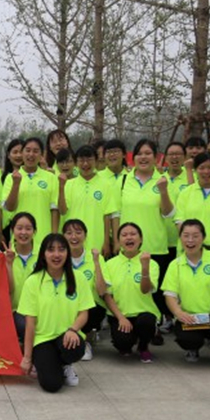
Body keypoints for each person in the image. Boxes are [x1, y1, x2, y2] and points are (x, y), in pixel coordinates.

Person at [17, 233, 94, 392]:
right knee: (51, 385)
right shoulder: (32, 282)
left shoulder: (78, 278)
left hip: (67, 336)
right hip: (42, 340)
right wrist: (27, 358)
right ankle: (47, 363)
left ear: (67, 253)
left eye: (61, 249)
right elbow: (30, 324)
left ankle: (66, 364)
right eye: (51, 250)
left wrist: (73, 329)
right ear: (43, 254)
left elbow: (83, 313)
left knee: (75, 348)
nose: (56, 254)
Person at [163, 220, 210, 371]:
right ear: (180, 238)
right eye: (186, 235)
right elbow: (170, 295)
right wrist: (179, 313)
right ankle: (193, 348)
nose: (190, 240)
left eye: (195, 236)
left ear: (203, 238)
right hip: (190, 317)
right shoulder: (175, 265)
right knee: (187, 339)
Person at [118, 139, 175, 339]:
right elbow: (115, 213)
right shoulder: (123, 180)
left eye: (148, 153)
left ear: (156, 157)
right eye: (139, 153)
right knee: (131, 289)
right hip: (128, 248)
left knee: (154, 292)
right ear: (133, 157)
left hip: (155, 245)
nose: (143, 157)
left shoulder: (163, 181)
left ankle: (154, 327)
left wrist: (163, 191)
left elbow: (169, 213)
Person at [101, 223, 160, 363]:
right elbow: (107, 295)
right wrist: (121, 318)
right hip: (120, 314)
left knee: (146, 321)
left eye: (133, 234)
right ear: (119, 240)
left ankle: (143, 346)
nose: (129, 238)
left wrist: (144, 268)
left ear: (141, 239)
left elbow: (145, 290)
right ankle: (128, 341)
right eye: (124, 235)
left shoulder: (151, 263)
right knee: (123, 344)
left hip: (143, 313)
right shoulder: (109, 264)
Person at [60, 145, 118, 257]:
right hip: (73, 241)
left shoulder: (106, 185)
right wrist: (61, 188)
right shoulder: (69, 184)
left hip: (97, 240)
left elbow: (107, 216)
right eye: (81, 160)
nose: (85, 164)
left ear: (96, 161)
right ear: (76, 163)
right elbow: (62, 211)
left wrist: (106, 242)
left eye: (89, 159)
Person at [62, 219, 108, 361]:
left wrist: (96, 263)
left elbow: (102, 291)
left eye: (78, 232)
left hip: (89, 307)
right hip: (65, 305)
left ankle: (86, 339)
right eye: (69, 233)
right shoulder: (59, 257)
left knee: (93, 310)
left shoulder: (96, 257)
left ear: (85, 235)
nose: (74, 237)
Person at [3, 137, 59, 245]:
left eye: (35, 151)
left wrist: (54, 237)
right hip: (20, 238)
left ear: (41, 155)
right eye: (27, 150)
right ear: (22, 153)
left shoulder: (51, 178)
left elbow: (54, 210)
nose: (31, 154)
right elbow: (10, 207)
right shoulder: (11, 178)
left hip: (44, 238)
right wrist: (16, 184)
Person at [3, 212, 38, 343]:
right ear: (12, 231)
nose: (23, 232)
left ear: (34, 231)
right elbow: (7, 289)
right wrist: (8, 264)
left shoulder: (44, 254)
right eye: (19, 228)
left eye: (28, 228)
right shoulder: (4, 257)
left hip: (39, 309)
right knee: (24, 326)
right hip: (15, 311)